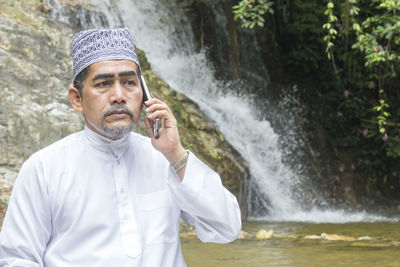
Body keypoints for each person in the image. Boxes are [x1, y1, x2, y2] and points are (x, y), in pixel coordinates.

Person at [0, 28, 241, 267]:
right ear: (76, 99)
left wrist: (175, 153)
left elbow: (226, 228)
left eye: (129, 83)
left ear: (144, 94)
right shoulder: (44, 168)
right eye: (103, 84)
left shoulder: (166, 159)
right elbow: (17, 259)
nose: (119, 96)